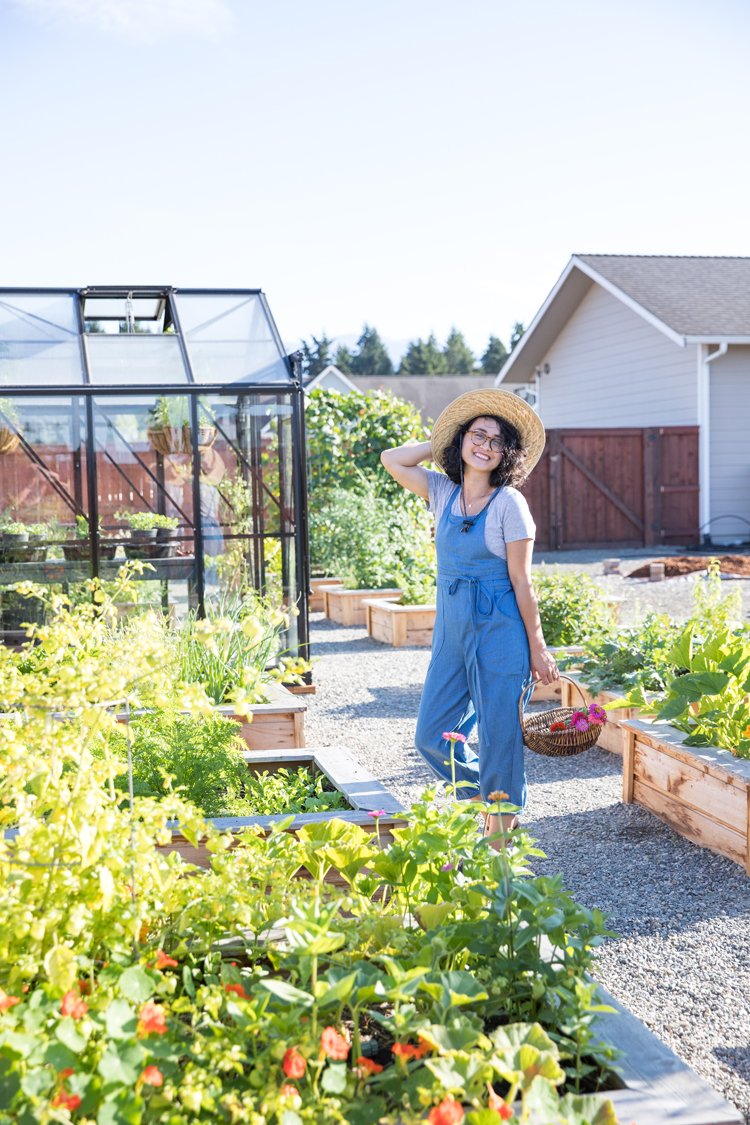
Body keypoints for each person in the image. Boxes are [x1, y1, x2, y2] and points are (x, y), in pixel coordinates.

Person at [380, 389, 559, 846]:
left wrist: (537, 648)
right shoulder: (442, 491)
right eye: (477, 435)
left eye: (497, 441)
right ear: (461, 441)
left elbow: (522, 582)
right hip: (453, 632)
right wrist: (440, 440)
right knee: (432, 735)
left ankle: (499, 829)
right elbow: (392, 459)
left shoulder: (509, 504)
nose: (485, 446)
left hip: (501, 631)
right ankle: (490, 800)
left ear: (507, 455)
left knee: (500, 734)